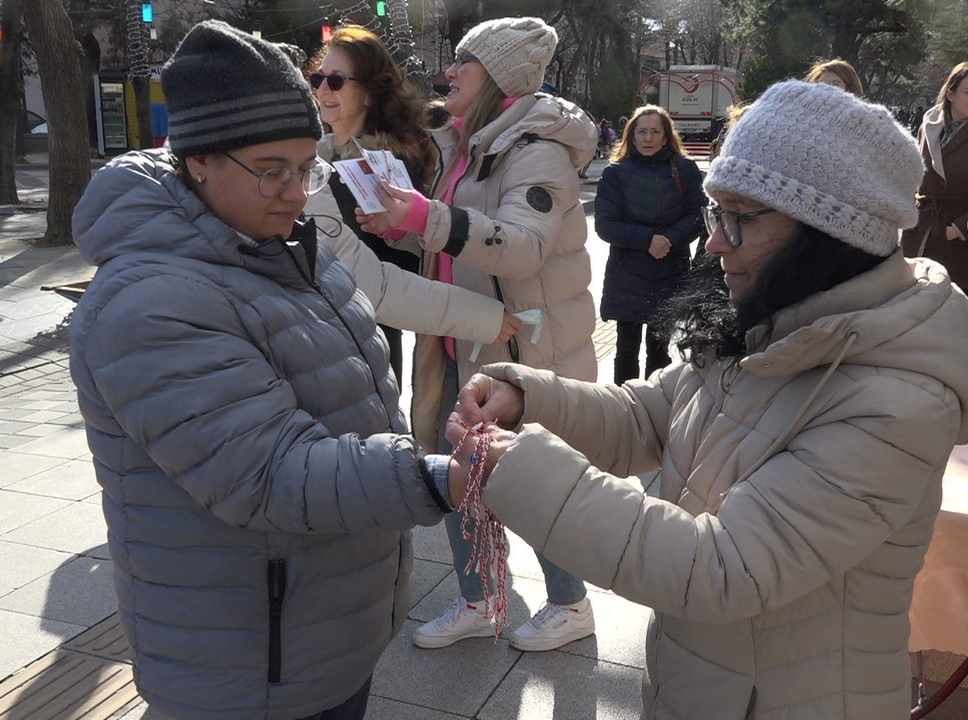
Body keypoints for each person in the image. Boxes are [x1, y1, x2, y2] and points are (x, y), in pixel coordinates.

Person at [448, 80, 968, 718]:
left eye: (740, 217)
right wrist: (527, 399)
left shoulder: (898, 400)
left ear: (829, 233)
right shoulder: (772, 317)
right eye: (715, 212)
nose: (714, 242)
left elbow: (723, 568)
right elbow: (649, 417)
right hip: (707, 683)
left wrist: (519, 470)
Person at [67, 21, 476, 719]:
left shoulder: (286, 245)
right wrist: (441, 475)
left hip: (320, 632)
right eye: (271, 169)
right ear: (197, 160)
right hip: (249, 666)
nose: (295, 193)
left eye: (306, 166)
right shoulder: (150, 301)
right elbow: (269, 472)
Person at [358, 16, 600, 652]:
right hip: (459, 340)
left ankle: (571, 603)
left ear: (497, 75)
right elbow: (455, 237)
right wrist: (401, 227)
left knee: (527, 482)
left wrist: (421, 214)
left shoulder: (537, 147)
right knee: (456, 472)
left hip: (519, 349)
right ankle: (480, 600)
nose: (449, 72)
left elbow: (519, 248)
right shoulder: (470, 142)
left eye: (464, 62)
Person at [305, 25, 438, 385]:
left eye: (335, 81)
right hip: (315, 323)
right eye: (318, 79)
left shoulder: (388, 164)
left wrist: (395, 227)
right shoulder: (312, 156)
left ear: (368, 95)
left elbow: (417, 252)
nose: (322, 91)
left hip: (369, 327)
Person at [595, 104, 704, 383]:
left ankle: (654, 412)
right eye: (642, 132)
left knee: (660, 353)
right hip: (628, 275)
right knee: (626, 352)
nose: (648, 138)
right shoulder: (615, 174)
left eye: (655, 131)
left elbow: (698, 216)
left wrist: (669, 239)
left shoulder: (687, 170)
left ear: (666, 136)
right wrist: (647, 241)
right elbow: (606, 225)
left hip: (670, 272)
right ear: (631, 136)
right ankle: (623, 413)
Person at [900, 62, 968, 298]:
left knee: (953, 317)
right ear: (951, 94)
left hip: (961, 242)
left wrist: (959, 228)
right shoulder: (929, 126)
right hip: (920, 231)